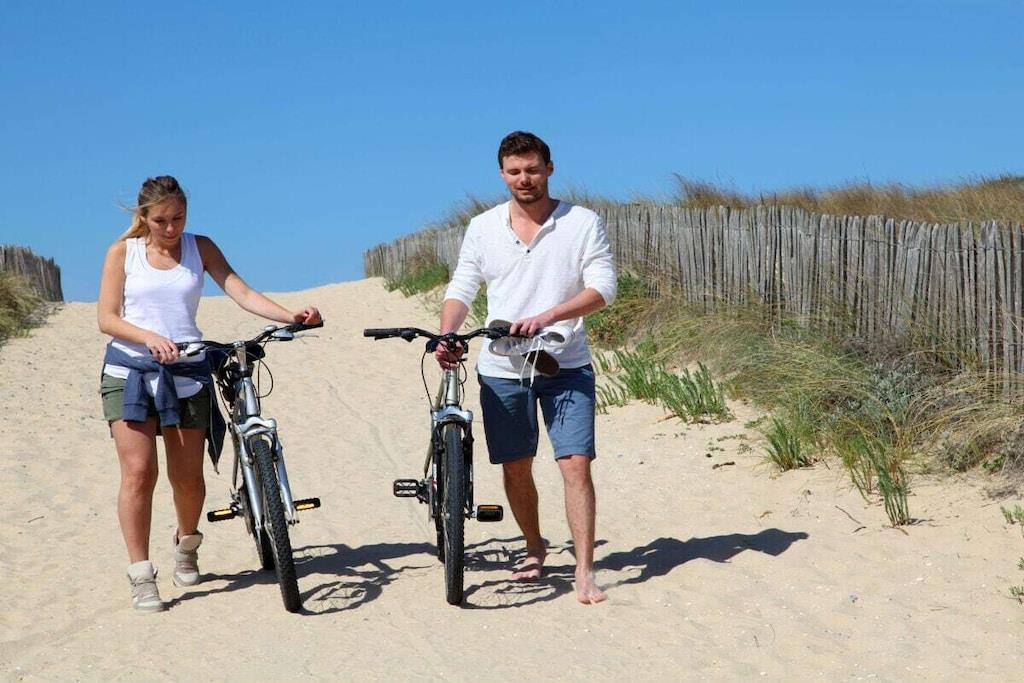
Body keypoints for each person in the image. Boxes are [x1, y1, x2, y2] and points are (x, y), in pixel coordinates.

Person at [97, 175, 321, 612]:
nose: (171, 228)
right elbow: (107, 318)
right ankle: (141, 575)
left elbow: (240, 290)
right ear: (144, 216)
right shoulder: (123, 252)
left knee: (188, 480)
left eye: (178, 218)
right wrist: (148, 337)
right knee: (139, 474)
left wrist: (291, 315)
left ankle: (187, 544)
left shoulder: (200, 247)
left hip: (188, 371)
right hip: (130, 371)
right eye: (161, 220)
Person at [436, 131, 617, 604]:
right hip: (502, 368)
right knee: (516, 467)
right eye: (515, 171)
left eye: (533, 170)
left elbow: (603, 288)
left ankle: (584, 569)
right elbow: (462, 286)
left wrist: (551, 315)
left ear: (549, 169)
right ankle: (535, 547)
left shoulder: (582, 222)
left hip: (566, 363)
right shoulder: (483, 227)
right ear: (502, 174)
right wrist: (448, 332)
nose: (525, 179)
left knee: (575, 463)